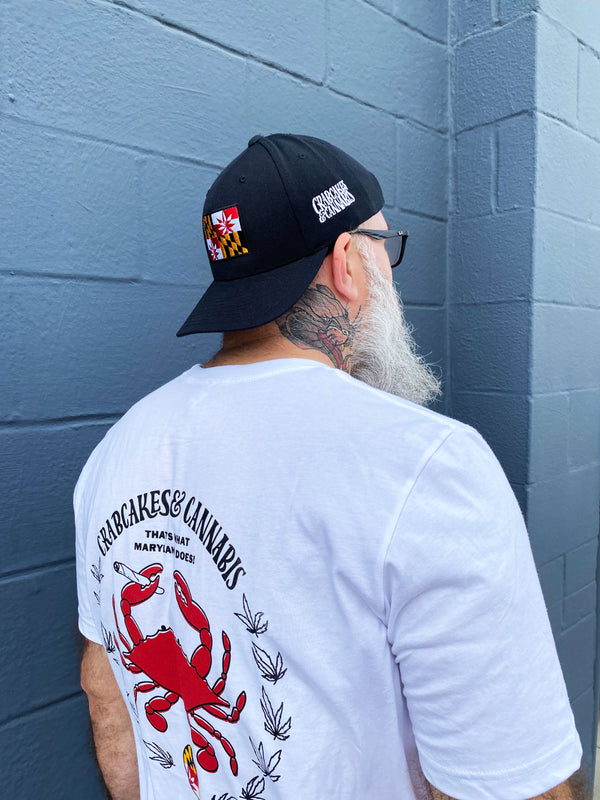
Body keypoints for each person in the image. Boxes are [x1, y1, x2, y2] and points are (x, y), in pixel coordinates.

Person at [76, 133, 584, 800]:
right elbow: (511, 785)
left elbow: (103, 682)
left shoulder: (117, 450)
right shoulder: (428, 465)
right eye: (385, 246)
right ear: (347, 260)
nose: (391, 273)